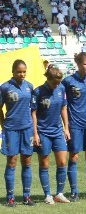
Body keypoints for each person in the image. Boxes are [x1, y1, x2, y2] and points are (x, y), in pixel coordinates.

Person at [62, 52, 86, 201]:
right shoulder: (68, 81)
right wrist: (67, 125)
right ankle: (74, 192)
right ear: (78, 64)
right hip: (75, 125)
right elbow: (62, 104)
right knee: (74, 156)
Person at [32, 65, 71, 204]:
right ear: (48, 79)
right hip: (43, 132)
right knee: (45, 164)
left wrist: (66, 128)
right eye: (55, 82)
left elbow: (64, 108)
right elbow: (33, 114)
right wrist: (35, 133)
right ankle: (47, 195)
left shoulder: (61, 89)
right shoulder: (37, 92)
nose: (57, 85)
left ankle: (59, 193)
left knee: (62, 162)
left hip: (58, 131)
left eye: (59, 82)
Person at [0, 60, 35, 207]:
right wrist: (4, 125)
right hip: (11, 129)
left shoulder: (29, 86)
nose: (22, 74)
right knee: (12, 161)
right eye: (19, 72)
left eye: (24, 71)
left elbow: (33, 108)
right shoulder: (4, 87)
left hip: (27, 128)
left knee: (27, 161)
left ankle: (26, 196)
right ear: (13, 72)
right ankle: (10, 197)